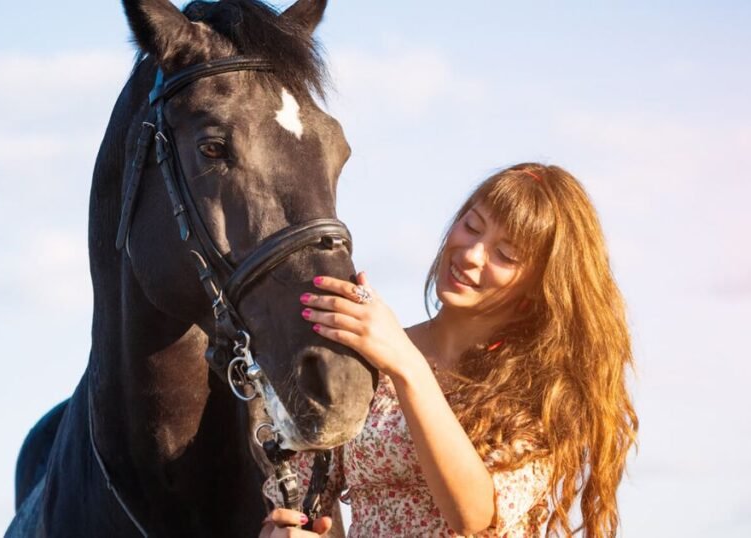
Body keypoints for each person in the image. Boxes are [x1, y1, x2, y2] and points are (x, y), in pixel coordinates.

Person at [259, 163, 638, 537]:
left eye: (506, 254)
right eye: (471, 226)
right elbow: (297, 505)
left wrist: (406, 363)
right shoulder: (371, 354)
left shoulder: (543, 387)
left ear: (539, 288)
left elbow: (472, 514)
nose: (472, 253)